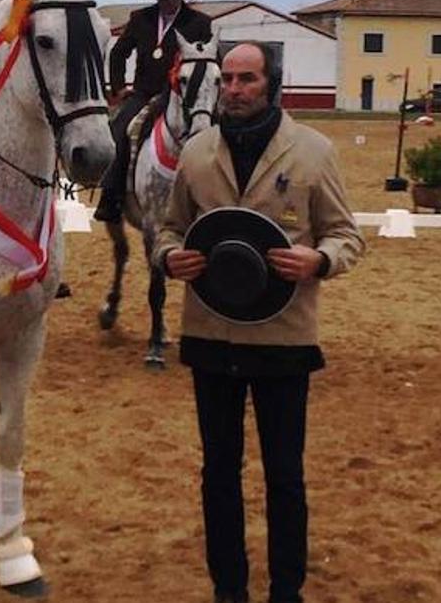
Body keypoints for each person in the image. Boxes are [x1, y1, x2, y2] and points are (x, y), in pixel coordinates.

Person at [154, 42, 365, 603]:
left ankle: (285, 591)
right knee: (219, 473)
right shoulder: (196, 152)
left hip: (283, 337)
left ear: (272, 83)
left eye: (246, 79)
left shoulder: (315, 152)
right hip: (210, 333)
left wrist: (320, 260)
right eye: (227, 79)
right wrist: (168, 256)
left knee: (284, 476)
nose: (234, 89)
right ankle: (229, 589)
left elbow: (346, 235)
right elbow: (170, 227)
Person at [94, 0, 213, 223]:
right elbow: (118, 53)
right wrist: (118, 88)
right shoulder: (141, 19)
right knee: (119, 129)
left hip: (183, 96)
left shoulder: (200, 23)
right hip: (144, 93)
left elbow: (205, 61)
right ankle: (111, 196)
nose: (168, 1)